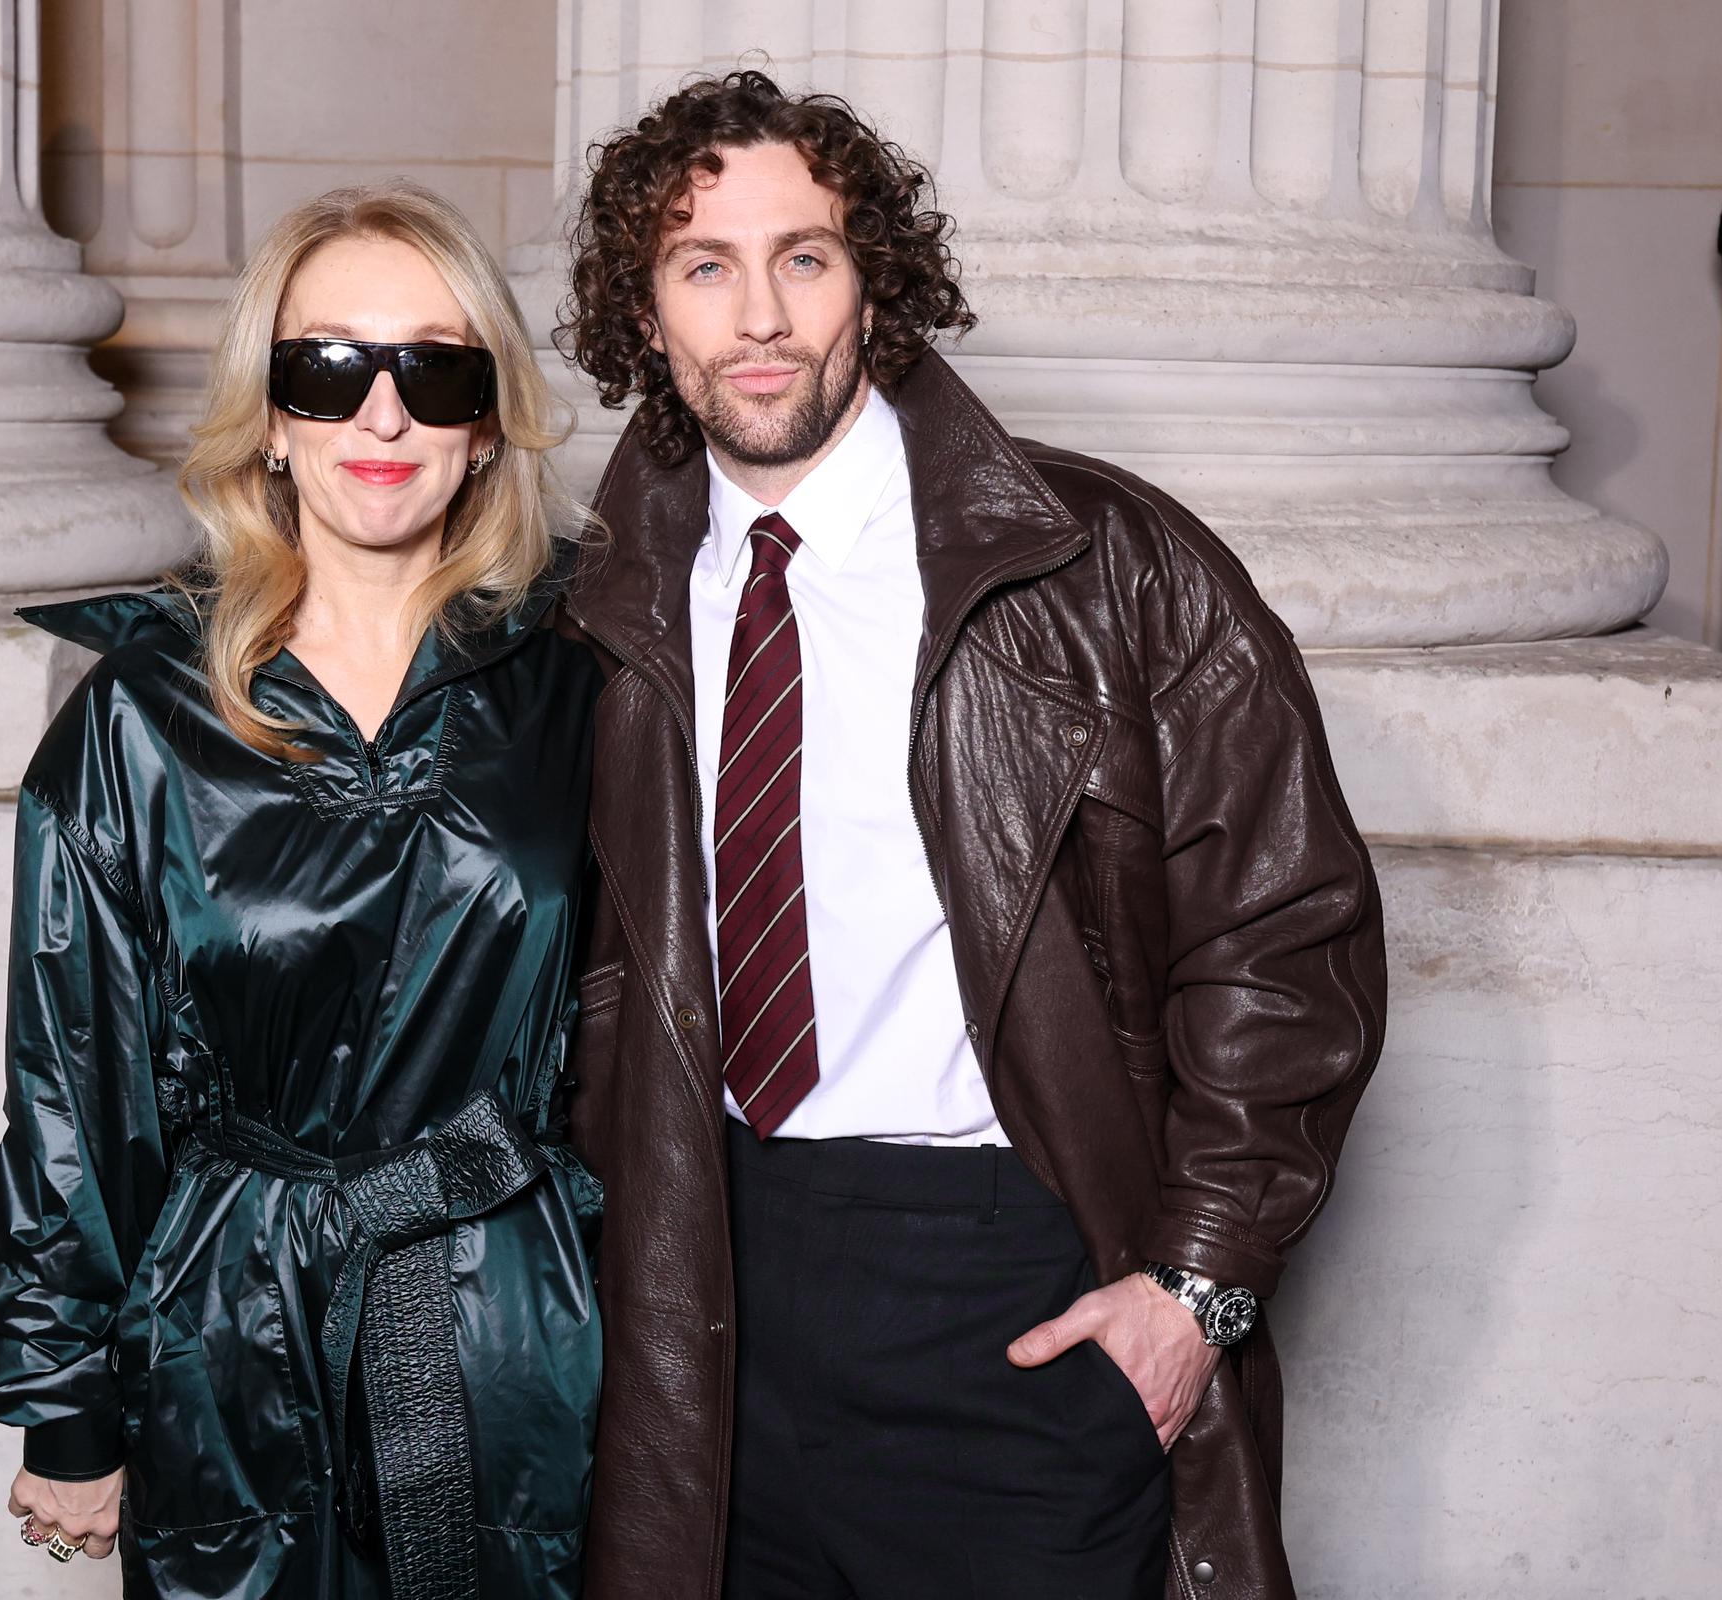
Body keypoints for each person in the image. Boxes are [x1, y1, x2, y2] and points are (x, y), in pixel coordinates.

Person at [555, 71, 1387, 1600]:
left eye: (804, 256)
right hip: (706, 1276)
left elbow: (1285, 933)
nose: (759, 317)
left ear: (877, 283)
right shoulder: (605, 608)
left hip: (1005, 1281)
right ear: (645, 310)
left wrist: (1196, 1286)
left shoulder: (1104, 564)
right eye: (703, 265)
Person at [0, 180, 608, 1600]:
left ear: (484, 421)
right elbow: (74, 1080)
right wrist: (67, 1404)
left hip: (516, 1328)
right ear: (273, 414)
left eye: (433, 371)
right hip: (232, 1330)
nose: (383, 417)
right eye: (330, 367)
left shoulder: (585, 688)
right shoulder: (142, 717)